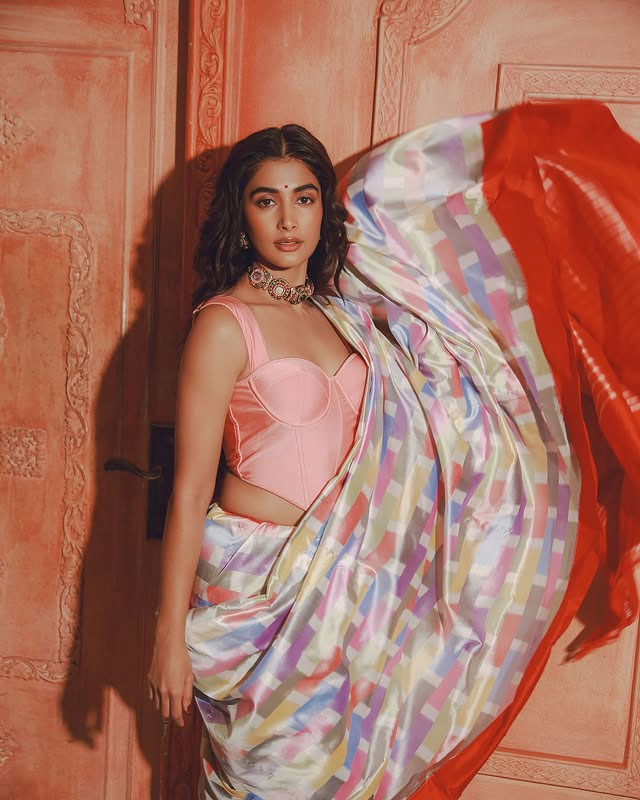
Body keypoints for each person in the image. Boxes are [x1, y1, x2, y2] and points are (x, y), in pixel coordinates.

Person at [148, 103, 640, 800]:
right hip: (261, 594)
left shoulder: (343, 312)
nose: (288, 220)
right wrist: (168, 636)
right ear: (242, 213)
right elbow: (190, 490)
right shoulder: (225, 326)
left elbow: (420, 414)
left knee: (351, 783)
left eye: (304, 198)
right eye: (266, 200)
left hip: (358, 587)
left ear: (323, 208)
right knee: (271, 784)